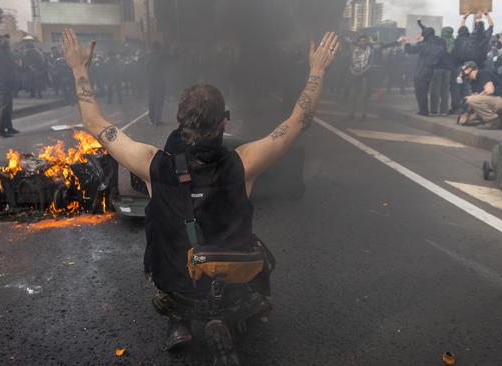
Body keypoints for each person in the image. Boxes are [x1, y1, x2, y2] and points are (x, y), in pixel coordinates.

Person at [60, 28, 339, 366]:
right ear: (223, 124)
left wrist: (79, 68)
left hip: (178, 287)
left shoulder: (152, 164)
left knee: (163, 249)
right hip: (233, 285)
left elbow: (93, 121)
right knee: (258, 252)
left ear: (179, 121)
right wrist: (317, 70)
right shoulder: (245, 162)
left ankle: (179, 322)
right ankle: (238, 315)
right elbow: (299, 120)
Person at [402, 24, 444, 116]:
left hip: (421, 71)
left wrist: (407, 42)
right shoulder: (439, 45)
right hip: (431, 71)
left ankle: (423, 111)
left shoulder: (424, 45)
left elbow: (410, 50)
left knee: (420, 92)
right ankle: (427, 110)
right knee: (425, 91)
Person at [461, 61, 502, 130]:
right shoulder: (474, 82)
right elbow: (478, 101)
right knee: (465, 118)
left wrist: (472, 98)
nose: (463, 72)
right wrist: (469, 115)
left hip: (501, 99)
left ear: (470, 69)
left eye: (464, 70)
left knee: (471, 99)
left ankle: (492, 120)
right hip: (493, 101)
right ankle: (499, 118)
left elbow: (490, 90)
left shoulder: (482, 74)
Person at [0, 36, 19, 138]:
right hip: (5, 83)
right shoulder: (4, 54)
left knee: (7, 106)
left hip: (3, 82)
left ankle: (9, 127)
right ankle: (1, 130)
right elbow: (13, 66)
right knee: (5, 107)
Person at [430, 27, 452, 115]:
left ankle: (434, 110)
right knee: (445, 91)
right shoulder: (452, 41)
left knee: (435, 90)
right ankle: (444, 110)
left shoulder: (439, 41)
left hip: (437, 68)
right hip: (448, 69)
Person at [147, 41, 166, 125]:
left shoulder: (149, 57)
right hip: (159, 82)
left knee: (152, 101)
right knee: (159, 101)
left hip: (151, 82)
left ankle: (151, 118)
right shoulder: (161, 57)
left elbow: (145, 70)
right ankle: (157, 119)